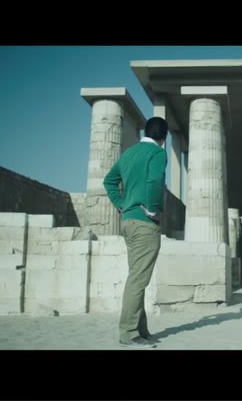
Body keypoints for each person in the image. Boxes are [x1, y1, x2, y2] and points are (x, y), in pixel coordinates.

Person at [103, 116, 168, 349]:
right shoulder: (158, 153)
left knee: (136, 277)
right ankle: (129, 333)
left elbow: (109, 181)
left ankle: (141, 330)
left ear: (146, 132)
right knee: (138, 280)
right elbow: (155, 180)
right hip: (144, 223)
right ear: (164, 138)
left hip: (128, 222)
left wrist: (121, 204)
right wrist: (153, 209)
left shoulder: (129, 153)